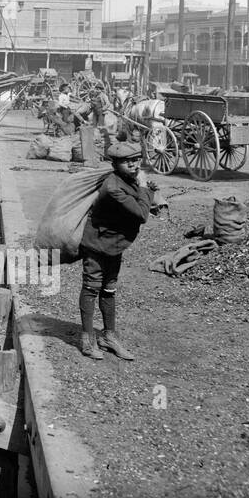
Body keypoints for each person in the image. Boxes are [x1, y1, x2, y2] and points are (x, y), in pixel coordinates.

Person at [78, 141, 165, 361]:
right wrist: (146, 189)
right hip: (97, 244)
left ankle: (108, 335)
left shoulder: (128, 180)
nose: (134, 165)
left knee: (109, 289)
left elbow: (140, 202)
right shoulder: (113, 187)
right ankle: (87, 339)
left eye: (136, 160)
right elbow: (140, 214)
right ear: (115, 164)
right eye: (128, 162)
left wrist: (147, 190)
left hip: (115, 244)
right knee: (91, 287)